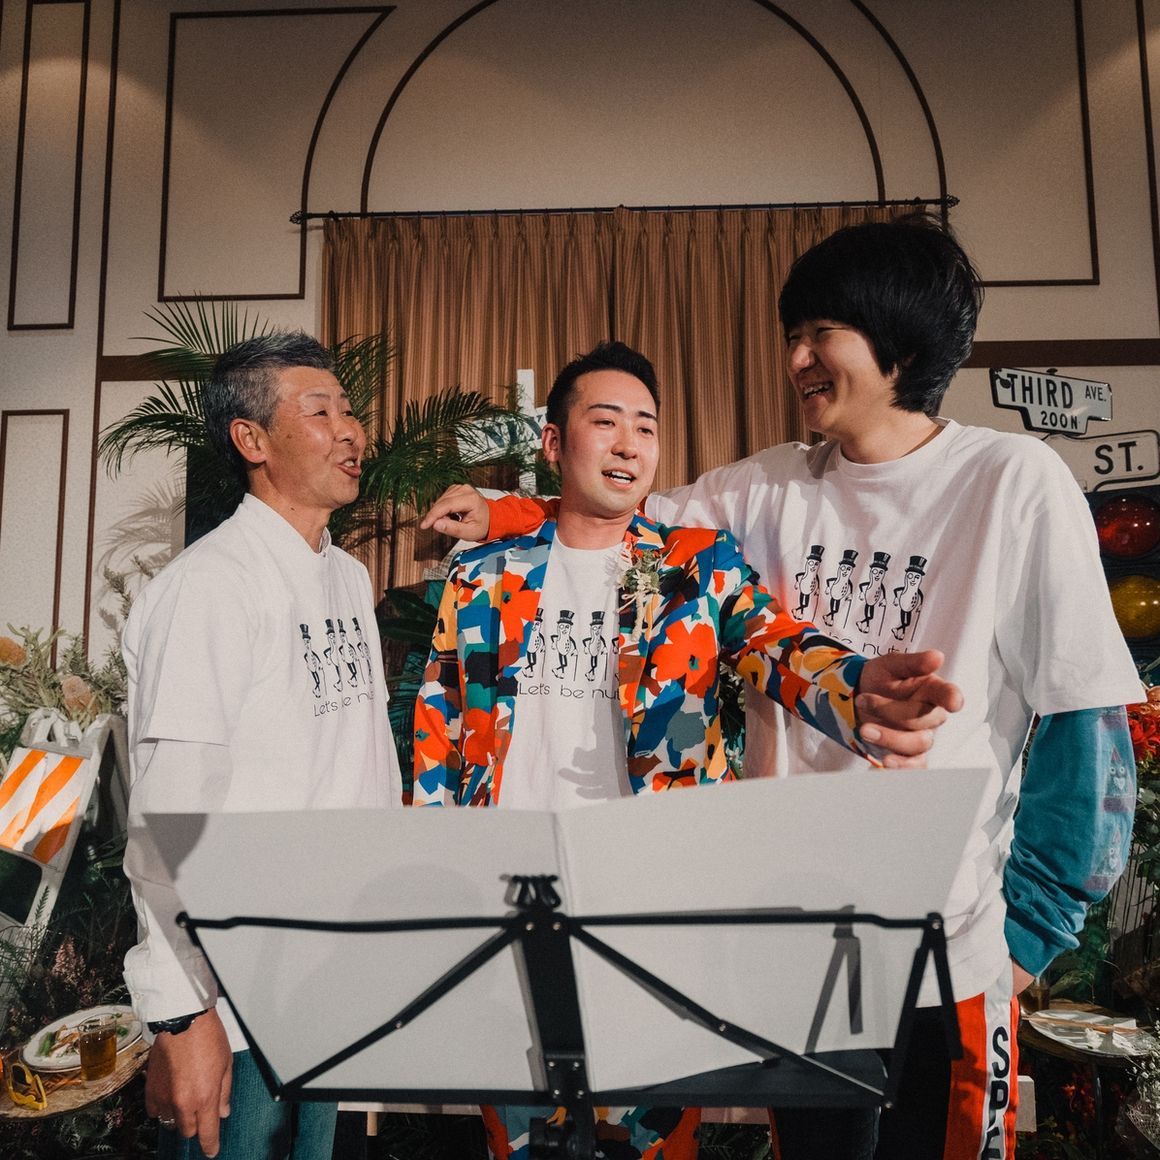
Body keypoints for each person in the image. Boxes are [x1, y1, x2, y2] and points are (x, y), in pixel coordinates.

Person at [421, 216, 1143, 1159]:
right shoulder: (763, 489)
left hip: (947, 937)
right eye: (792, 335)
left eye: (820, 334)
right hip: (793, 940)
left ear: (899, 342)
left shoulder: (1013, 480)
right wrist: (504, 513)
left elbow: (1084, 716)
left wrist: (1029, 935)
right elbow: (615, 522)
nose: (796, 358)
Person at [414, 339, 964, 1160]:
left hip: (654, 911)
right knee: (522, 1138)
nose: (629, 443)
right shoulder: (483, 578)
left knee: (651, 1140)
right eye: (606, 422)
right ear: (555, 444)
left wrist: (858, 686)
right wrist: (438, 893)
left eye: (646, 426)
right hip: (513, 907)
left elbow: (781, 648)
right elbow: (439, 735)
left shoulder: (690, 568)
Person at [121, 331, 402, 1160]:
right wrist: (182, 1015)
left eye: (348, 409)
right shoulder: (209, 587)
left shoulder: (348, 577)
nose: (350, 430)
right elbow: (168, 815)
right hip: (237, 999)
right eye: (320, 412)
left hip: (328, 978)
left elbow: (359, 772)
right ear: (252, 439)